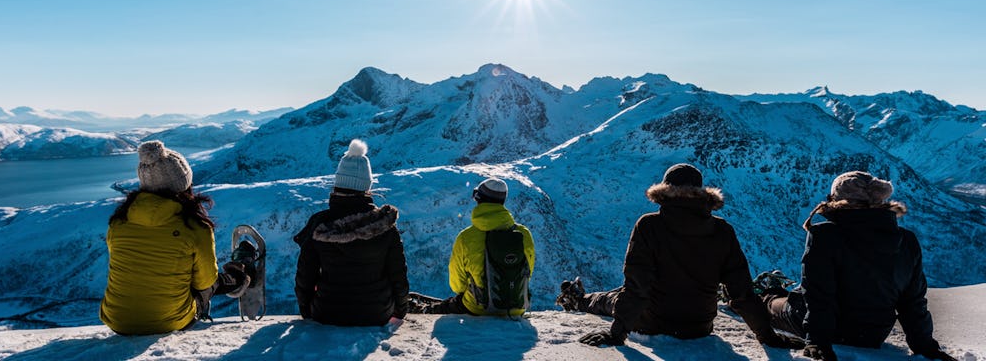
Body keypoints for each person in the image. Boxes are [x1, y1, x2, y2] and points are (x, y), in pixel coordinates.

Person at [561, 163, 801, 349]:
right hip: (699, 325)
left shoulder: (649, 225)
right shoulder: (722, 230)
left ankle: (578, 300)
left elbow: (637, 286)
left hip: (651, 321)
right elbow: (741, 292)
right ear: (701, 193)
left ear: (664, 192)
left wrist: (617, 333)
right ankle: (581, 298)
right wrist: (767, 335)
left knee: (610, 299)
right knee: (618, 294)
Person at [761, 171, 956, 361]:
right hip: (873, 334)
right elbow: (913, 302)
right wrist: (926, 347)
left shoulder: (825, 234)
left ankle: (766, 295)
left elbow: (818, 295)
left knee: (773, 304)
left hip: (832, 331)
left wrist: (818, 341)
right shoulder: (907, 240)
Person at [100, 141, 256, 335]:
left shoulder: (118, 222)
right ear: (184, 183)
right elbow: (205, 282)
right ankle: (241, 275)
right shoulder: (194, 227)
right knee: (211, 283)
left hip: (117, 321)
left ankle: (237, 276)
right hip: (169, 321)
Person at [293, 139, 409, 326]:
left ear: (337, 184)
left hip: (326, 312)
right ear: (367, 187)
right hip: (377, 313)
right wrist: (400, 311)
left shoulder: (320, 225)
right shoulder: (385, 225)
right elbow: (398, 276)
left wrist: (308, 311)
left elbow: (305, 276)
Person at [409, 177, 535, 316]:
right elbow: (528, 270)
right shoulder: (524, 234)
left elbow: (457, 284)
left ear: (478, 200)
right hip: (517, 307)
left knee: (445, 308)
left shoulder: (466, 237)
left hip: (477, 307)